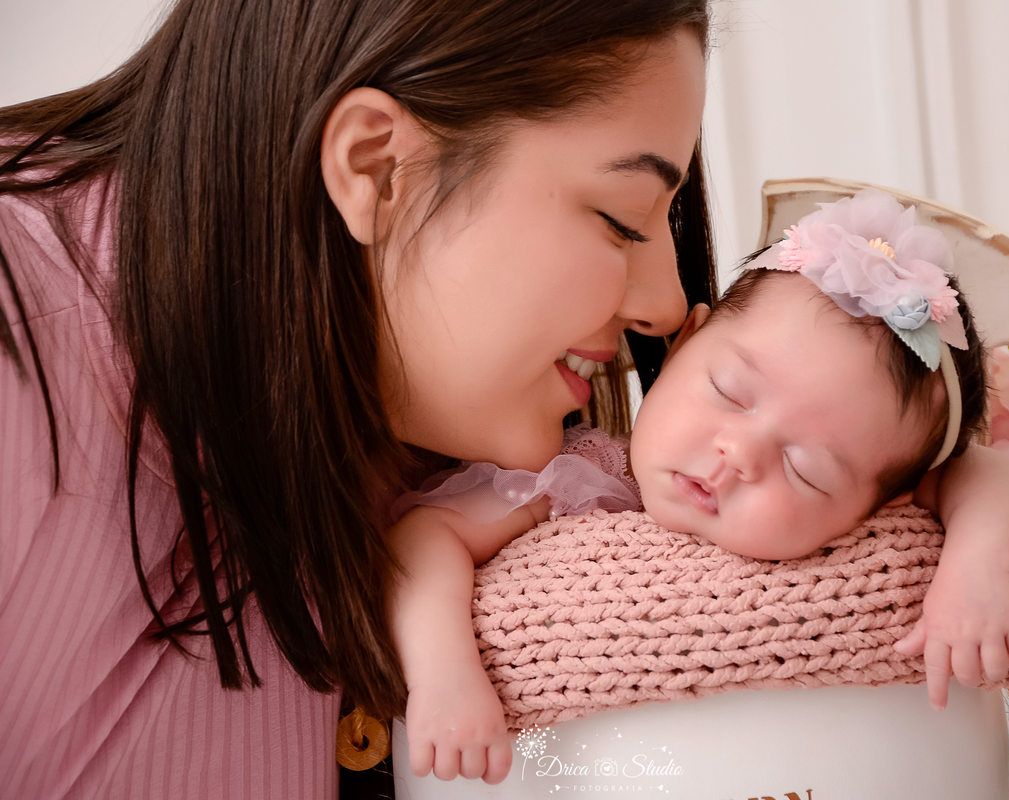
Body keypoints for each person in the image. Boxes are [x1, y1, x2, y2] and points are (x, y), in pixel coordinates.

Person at [0, 1, 715, 797]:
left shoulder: (436, 437)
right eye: (622, 219)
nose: (665, 303)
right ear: (377, 165)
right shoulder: (21, 339)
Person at [391, 190, 1009, 784]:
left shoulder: (871, 549)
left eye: (804, 468)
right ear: (683, 346)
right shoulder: (576, 477)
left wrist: (981, 564)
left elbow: (997, 470)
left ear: (879, 506)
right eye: (730, 392)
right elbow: (426, 537)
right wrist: (444, 676)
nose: (738, 454)